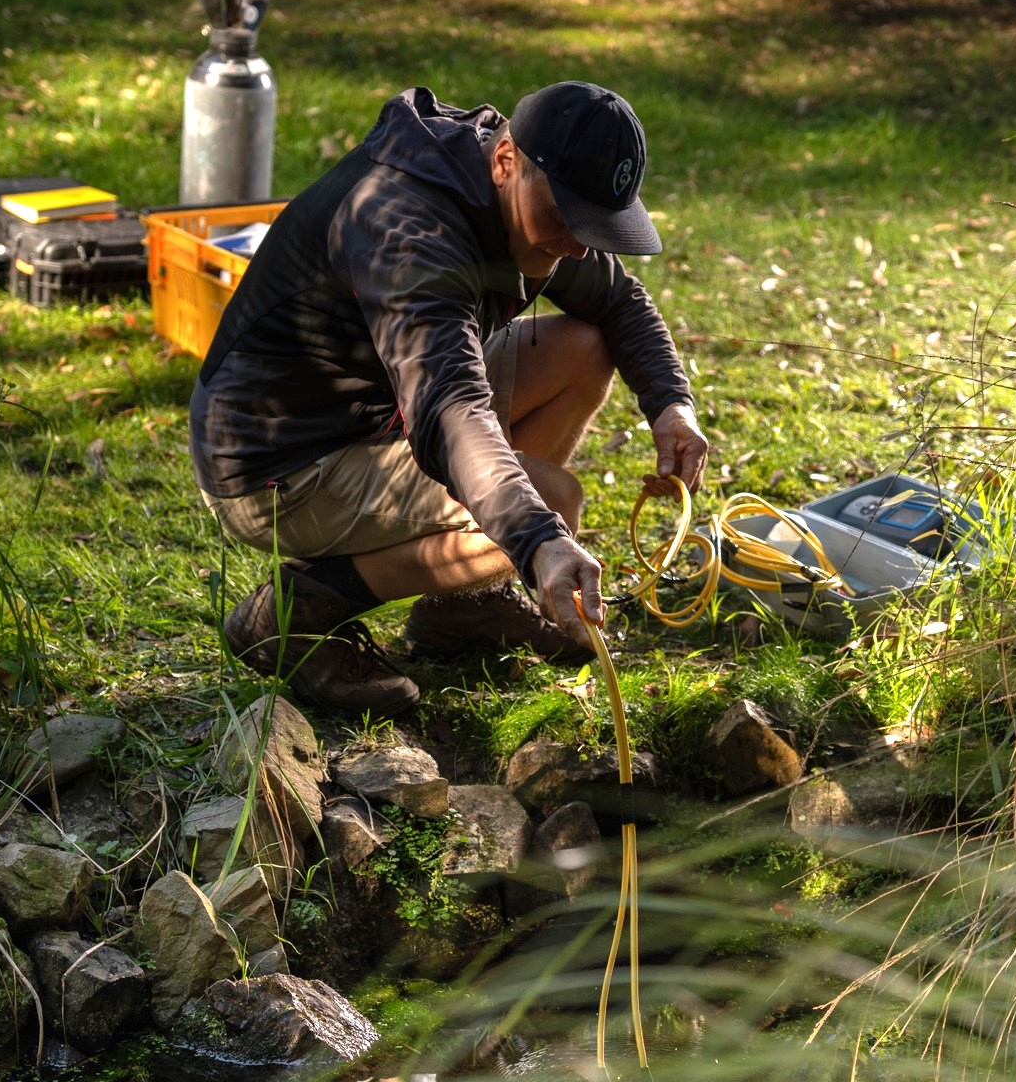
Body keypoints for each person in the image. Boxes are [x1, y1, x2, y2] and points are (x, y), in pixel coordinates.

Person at [188, 81, 709, 718]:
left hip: (380, 411)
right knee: (551, 502)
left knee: (583, 347)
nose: (578, 245)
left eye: (597, 226)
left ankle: (466, 604)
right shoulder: (411, 233)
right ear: (505, 160)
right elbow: (448, 409)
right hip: (278, 464)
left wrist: (671, 406)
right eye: (568, 218)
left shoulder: (521, 199)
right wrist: (537, 540)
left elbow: (621, 302)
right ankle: (296, 611)